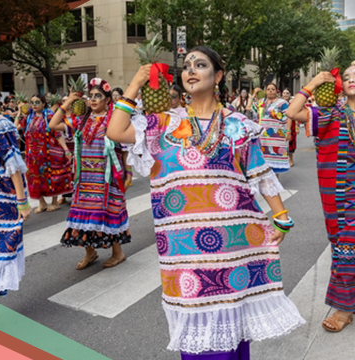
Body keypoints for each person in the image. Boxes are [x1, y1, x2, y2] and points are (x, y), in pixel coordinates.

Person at [107, 46, 304, 359]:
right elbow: (115, 130)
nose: (191, 71)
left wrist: (281, 215)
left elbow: (258, 170)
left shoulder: (238, 124)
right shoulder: (162, 124)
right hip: (184, 249)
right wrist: (134, 86)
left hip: (233, 243)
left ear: (218, 75)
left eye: (200, 64)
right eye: (186, 66)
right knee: (200, 332)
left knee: (233, 329)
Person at [286, 64, 355, 333]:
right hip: (340, 194)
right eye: (347, 77)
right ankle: (344, 307)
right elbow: (292, 112)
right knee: (345, 248)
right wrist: (312, 84)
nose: (351, 80)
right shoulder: (331, 113)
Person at [49, 78, 132, 270]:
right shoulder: (80, 120)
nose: (93, 100)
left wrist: (127, 172)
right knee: (83, 215)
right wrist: (68, 101)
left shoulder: (113, 120)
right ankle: (90, 252)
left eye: (98, 96)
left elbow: (125, 148)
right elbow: (53, 125)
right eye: (91, 97)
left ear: (107, 100)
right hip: (85, 178)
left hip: (108, 177)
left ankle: (118, 253)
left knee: (110, 213)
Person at [14, 94, 73, 213]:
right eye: (32, 102)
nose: (34, 105)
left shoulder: (50, 116)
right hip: (33, 155)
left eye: (37, 102)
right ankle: (42, 203)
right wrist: (19, 112)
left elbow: (57, 133)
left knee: (52, 176)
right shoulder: (29, 117)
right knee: (34, 178)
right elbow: (15, 128)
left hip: (50, 153)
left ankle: (55, 202)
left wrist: (66, 149)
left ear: (43, 103)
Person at [0, 114, 32, 301]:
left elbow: (14, 166)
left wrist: (22, 201)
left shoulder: (0, 125)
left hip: (1, 195)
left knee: (0, 247)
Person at [251, 84, 291, 176]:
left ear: (276, 91)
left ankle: (275, 184)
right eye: (268, 89)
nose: (270, 91)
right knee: (264, 163)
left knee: (276, 164)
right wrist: (254, 94)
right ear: (265, 91)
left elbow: (289, 116)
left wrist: (288, 131)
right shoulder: (261, 102)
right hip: (263, 137)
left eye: (272, 89)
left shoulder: (282, 102)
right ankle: (267, 185)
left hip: (277, 137)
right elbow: (250, 107)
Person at [282, 88, 299, 167]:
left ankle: (291, 159)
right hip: (282, 125)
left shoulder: (292, 104)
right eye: (284, 93)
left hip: (291, 125)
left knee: (291, 143)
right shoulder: (280, 103)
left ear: (289, 95)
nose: (285, 94)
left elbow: (295, 115)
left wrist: (296, 126)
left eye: (287, 93)